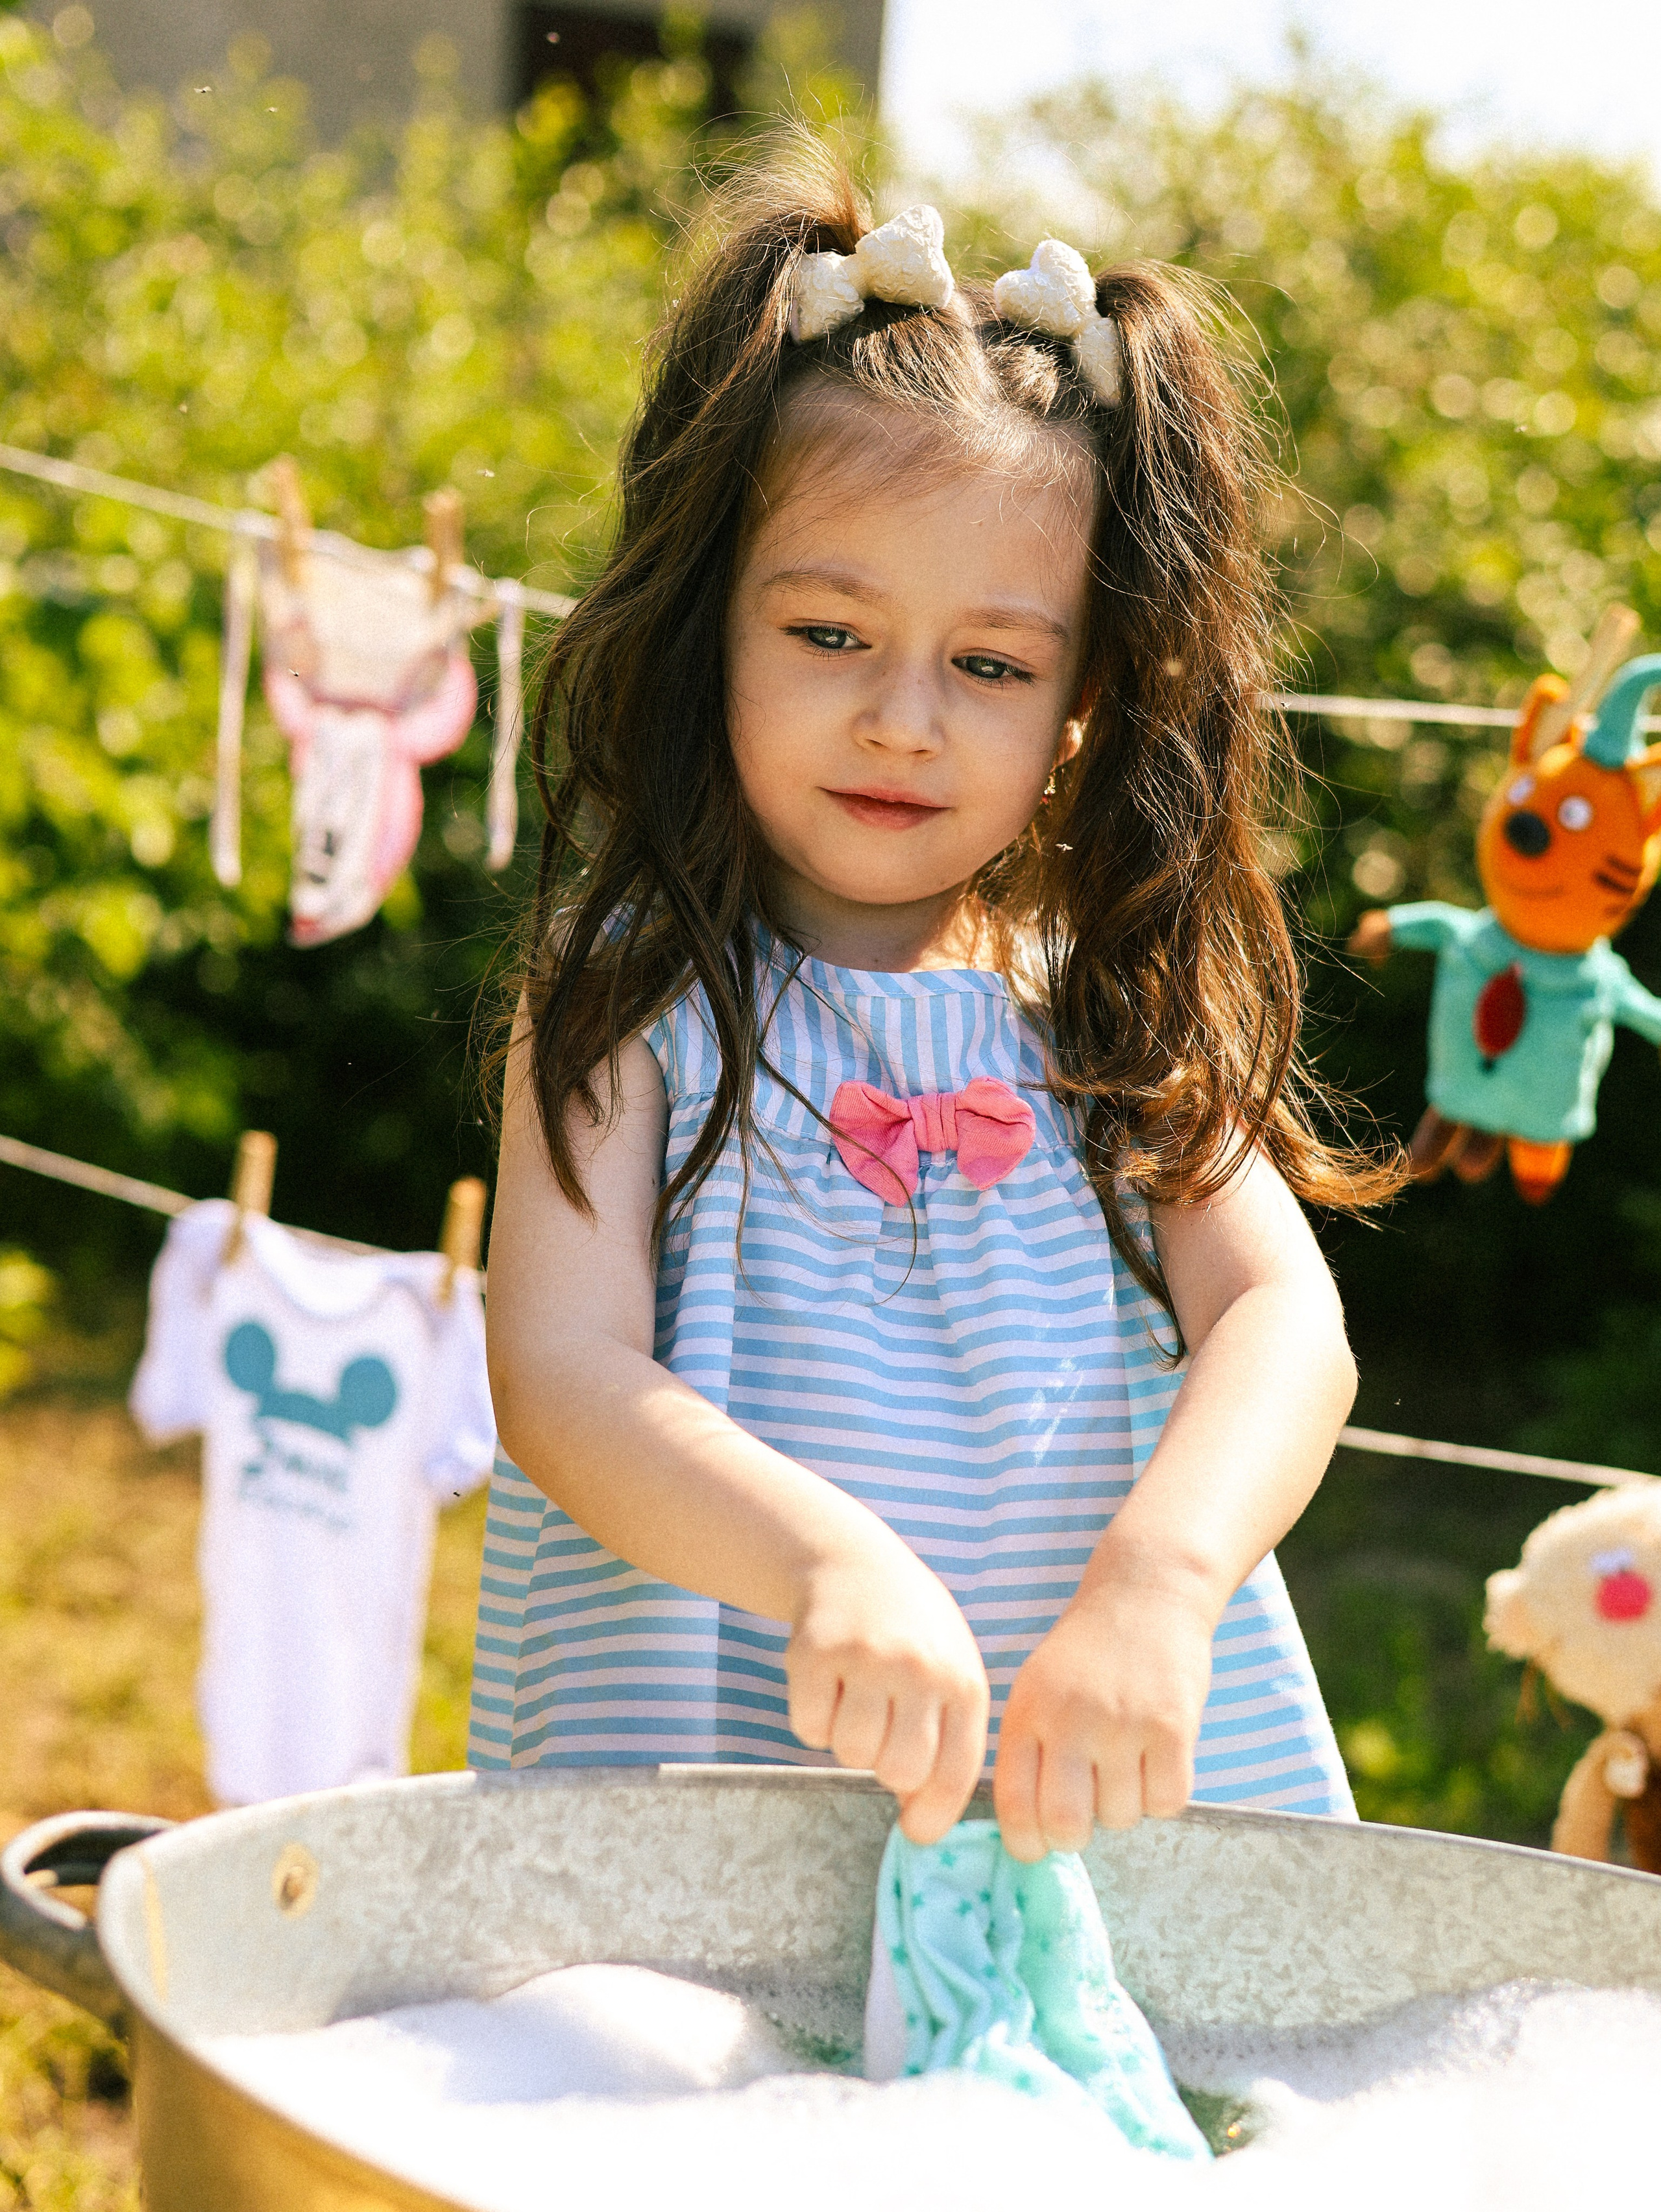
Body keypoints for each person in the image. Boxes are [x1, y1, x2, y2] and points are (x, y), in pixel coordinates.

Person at [476, 145, 1402, 1862]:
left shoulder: (1100, 1020)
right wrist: (823, 1559)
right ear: (712, 632)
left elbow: (1290, 1324)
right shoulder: (627, 1006)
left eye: (988, 665)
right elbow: (558, 1372)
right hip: (723, 1783)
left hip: (1084, 1781)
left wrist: (1164, 1579)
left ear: (1081, 702)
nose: (908, 718)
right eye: (831, 633)